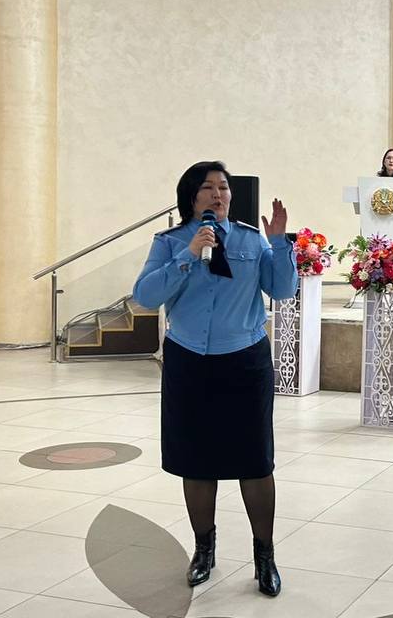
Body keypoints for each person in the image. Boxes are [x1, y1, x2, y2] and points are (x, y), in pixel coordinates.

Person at [132, 160, 296, 597]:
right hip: (188, 359)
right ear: (191, 196)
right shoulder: (169, 242)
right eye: (208, 187)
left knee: (254, 462)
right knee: (196, 460)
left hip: (244, 360)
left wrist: (280, 243)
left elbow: (282, 290)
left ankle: (265, 556)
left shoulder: (250, 239)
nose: (218, 194)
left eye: (223, 187)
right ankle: (204, 550)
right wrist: (188, 255)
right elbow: (145, 296)